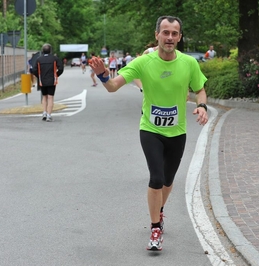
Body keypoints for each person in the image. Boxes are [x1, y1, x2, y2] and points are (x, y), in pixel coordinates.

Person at [89, 15, 208, 251]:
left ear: (179, 38)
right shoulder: (143, 63)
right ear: (157, 35)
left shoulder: (189, 63)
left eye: (174, 34)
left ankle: (159, 210)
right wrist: (103, 75)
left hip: (177, 132)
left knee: (168, 180)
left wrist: (202, 106)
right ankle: (155, 227)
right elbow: (113, 87)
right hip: (150, 130)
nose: (170, 37)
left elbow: (200, 90)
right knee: (156, 178)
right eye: (165, 32)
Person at [31, 43, 64, 122]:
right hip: (52, 81)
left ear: (43, 50)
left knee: (44, 97)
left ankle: (44, 113)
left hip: (42, 81)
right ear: (50, 51)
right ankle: (49, 115)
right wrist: (56, 75)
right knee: (50, 97)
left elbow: (34, 70)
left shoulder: (39, 59)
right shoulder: (54, 59)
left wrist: (39, 76)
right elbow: (61, 68)